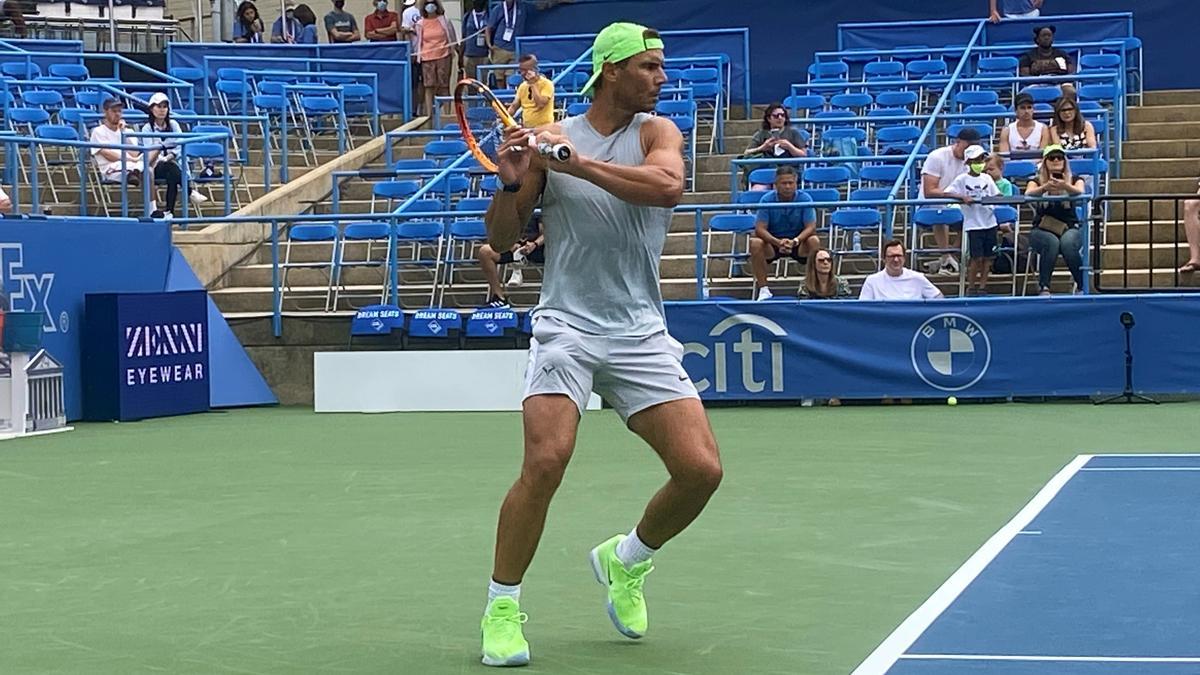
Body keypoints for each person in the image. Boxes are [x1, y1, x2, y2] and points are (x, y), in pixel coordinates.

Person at [479, 22, 720, 668]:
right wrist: (512, 182)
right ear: (610, 71)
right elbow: (502, 240)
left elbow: (666, 186)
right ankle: (502, 605)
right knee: (547, 460)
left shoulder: (655, 133)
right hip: (567, 326)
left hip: (639, 328)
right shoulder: (551, 139)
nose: (661, 77)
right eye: (648, 67)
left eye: (660, 66)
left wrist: (577, 165)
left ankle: (627, 560)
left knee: (701, 471)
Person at [748, 166, 819, 301]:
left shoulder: (805, 199)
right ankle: (764, 290)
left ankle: (812, 287)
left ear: (796, 183)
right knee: (755, 242)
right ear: (775, 185)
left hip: (798, 243)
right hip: (773, 243)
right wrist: (777, 242)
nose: (787, 186)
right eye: (783, 183)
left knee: (814, 241)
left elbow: (811, 227)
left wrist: (795, 241)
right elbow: (760, 228)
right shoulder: (766, 200)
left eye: (790, 183)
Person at [1025, 144, 1086, 295]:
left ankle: (1082, 285)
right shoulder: (1036, 181)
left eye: (1060, 157)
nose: (1056, 160)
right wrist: (1045, 188)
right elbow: (1028, 193)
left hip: (1069, 226)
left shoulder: (1075, 179)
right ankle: (1044, 286)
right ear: (1045, 161)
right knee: (1051, 243)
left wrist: (1065, 185)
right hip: (1041, 228)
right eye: (1052, 158)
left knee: (1068, 243)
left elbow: (1080, 191)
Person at [919, 126, 979, 276]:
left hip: (958, 202)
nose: (968, 152)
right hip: (932, 202)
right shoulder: (937, 156)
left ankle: (949, 257)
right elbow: (929, 191)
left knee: (978, 214)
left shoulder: (974, 161)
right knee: (940, 210)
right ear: (957, 142)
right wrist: (957, 196)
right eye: (967, 147)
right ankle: (946, 257)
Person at [141, 93, 210, 219]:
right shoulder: (147, 128)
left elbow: (178, 146)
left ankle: (169, 212)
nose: (162, 110)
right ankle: (190, 192)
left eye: (164, 106)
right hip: (154, 166)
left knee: (171, 173)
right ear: (151, 109)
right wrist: (161, 156)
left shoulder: (174, 125)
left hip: (172, 163)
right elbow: (149, 151)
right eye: (158, 106)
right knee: (170, 168)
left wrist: (168, 157)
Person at [945, 146, 1002, 296]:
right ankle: (971, 287)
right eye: (975, 160)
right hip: (974, 224)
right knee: (976, 258)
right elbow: (948, 192)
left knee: (988, 258)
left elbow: (996, 193)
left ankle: (982, 286)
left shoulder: (987, 178)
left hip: (990, 222)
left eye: (981, 160)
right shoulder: (962, 179)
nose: (979, 163)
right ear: (968, 162)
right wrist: (962, 197)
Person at [477, 215, 544, 306]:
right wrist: (509, 243)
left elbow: (547, 233)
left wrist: (534, 244)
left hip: (539, 247)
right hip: (513, 246)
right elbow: (498, 230)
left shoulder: (540, 205)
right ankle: (499, 298)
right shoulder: (507, 206)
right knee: (485, 252)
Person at [740, 102, 807, 188]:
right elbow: (747, 153)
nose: (780, 118)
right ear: (769, 118)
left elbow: (804, 154)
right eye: (776, 116)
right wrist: (763, 147)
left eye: (782, 115)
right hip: (766, 170)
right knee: (757, 189)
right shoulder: (760, 134)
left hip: (788, 171)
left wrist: (790, 147)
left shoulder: (793, 133)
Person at [859, 240, 944, 300]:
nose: (896, 260)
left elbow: (938, 298)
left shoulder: (918, 278)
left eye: (899, 256)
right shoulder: (872, 281)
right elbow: (863, 309)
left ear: (904, 258)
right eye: (891, 256)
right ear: (883, 259)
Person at [414, 0, 456, 119]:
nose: (430, 5)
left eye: (432, 3)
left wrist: (453, 51)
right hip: (427, 57)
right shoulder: (420, 23)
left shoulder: (444, 21)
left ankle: (447, 114)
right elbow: (418, 42)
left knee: (444, 85)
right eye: (427, 3)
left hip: (444, 55)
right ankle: (429, 115)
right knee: (429, 86)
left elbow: (451, 37)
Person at [89, 97, 144, 186]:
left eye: (119, 111)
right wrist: (132, 159)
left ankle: (150, 200)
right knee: (144, 171)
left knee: (148, 169)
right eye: (114, 111)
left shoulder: (128, 132)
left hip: (133, 166)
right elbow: (108, 155)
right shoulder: (98, 131)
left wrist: (123, 133)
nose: (117, 114)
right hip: (112, 169)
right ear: (105, 112)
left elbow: (134, 153)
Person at [506, 54, 555, 128]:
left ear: (534, 70)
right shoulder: (522, 86)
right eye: (521, 70)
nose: (522, 73)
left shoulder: (547, 84)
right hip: (527, 128)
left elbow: (541, 104)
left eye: (525, 70)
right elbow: (514, 106)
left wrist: (533, 84)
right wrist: (505, 117)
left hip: (545, 128)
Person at [486, 0, 524, 79]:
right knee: (499, 77)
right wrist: (489, 44)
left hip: (514, 49)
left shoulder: (521, 7)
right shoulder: (498, 9)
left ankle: (509, 90)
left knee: (511, 76)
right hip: (499, 48)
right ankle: (501, 90)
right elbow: (489, 28)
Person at [461, 0, 491, 81]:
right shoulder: (467, 16)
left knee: (483, 83)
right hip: (469, 55)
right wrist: (461, 55)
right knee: (471, 83)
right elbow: (463, 37)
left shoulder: (489, 16)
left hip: (484, 55)